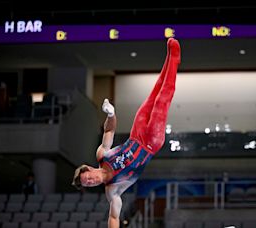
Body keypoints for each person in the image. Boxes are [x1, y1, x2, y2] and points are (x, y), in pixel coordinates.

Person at [72, 37, 181, 228]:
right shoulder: (112, 191)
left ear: (88, 169)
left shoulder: (102, 155)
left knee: (155, 92)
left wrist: (111, 114)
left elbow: (110, 129)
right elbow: (113, 217)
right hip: (150, 144)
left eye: (87, 178)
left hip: (136, 134)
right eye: (89, 184)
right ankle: (175, 57)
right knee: (162, 100)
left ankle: (170, 58)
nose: (91, 181)